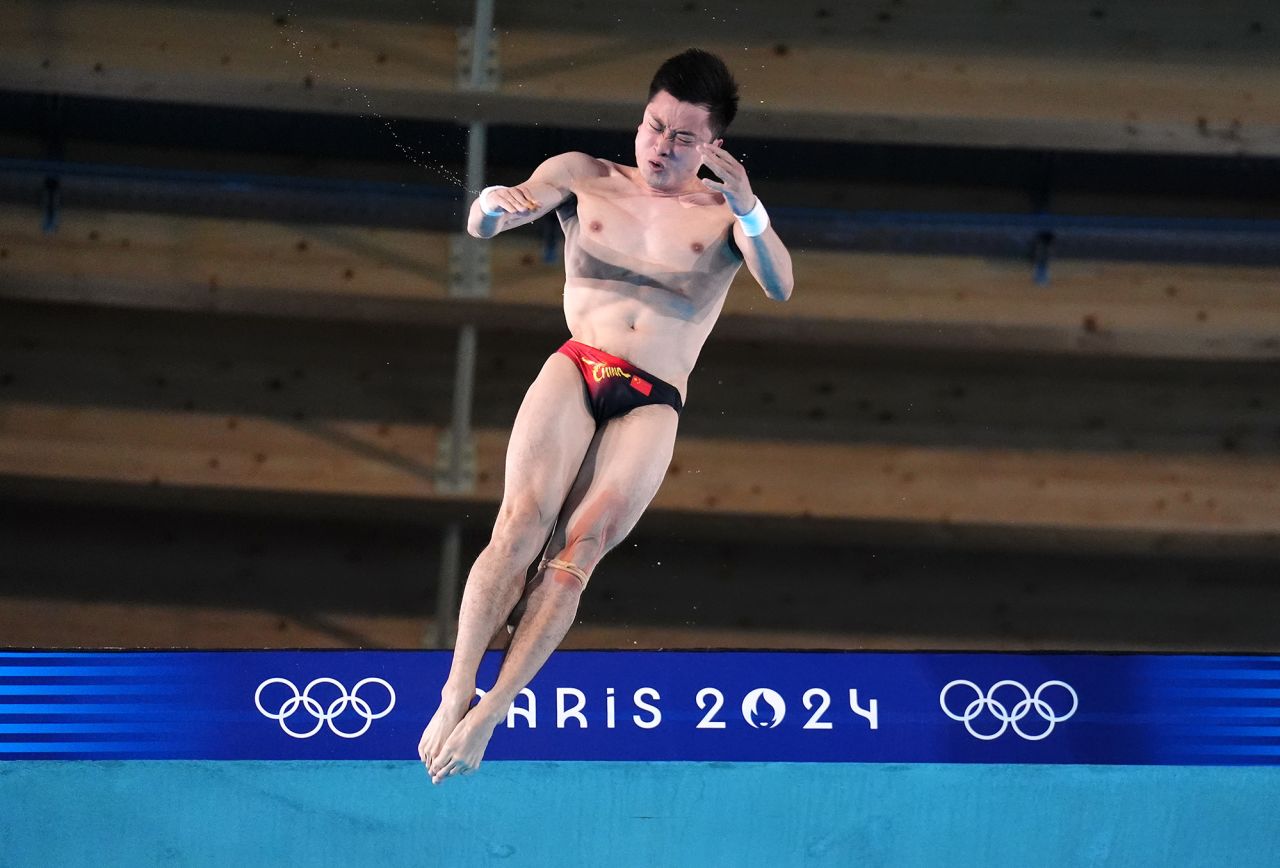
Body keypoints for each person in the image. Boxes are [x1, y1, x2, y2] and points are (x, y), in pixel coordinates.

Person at [418, 48, 793, 785]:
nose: (661, 147)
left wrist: (749, 204)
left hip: (654, 394)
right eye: (655, 128)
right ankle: (456, 688)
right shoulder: (584, 175)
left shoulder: (724, 217)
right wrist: (493, 204)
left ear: (712, 145)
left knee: (577, 551)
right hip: (577, 364)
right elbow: (498, 211)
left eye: (683, 139)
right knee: (520, 525)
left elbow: (779, 284)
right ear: (643, 118)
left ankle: (491, 712)